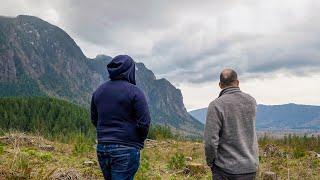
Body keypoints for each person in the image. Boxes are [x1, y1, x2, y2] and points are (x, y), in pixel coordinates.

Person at [90, 55, 151, 180]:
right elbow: (144, 123)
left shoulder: (98, 91)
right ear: (130, 70)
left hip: (102, 147)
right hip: (126, 148)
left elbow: (94, 119)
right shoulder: (135, 92)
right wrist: (137, 140)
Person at [204, 69, 259, 180]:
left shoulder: (216, 105)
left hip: (225, 169)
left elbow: (210, 142)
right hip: (250, 168)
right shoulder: (251, 101)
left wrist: (211, 162)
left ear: (220, 85)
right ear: (237, 82)